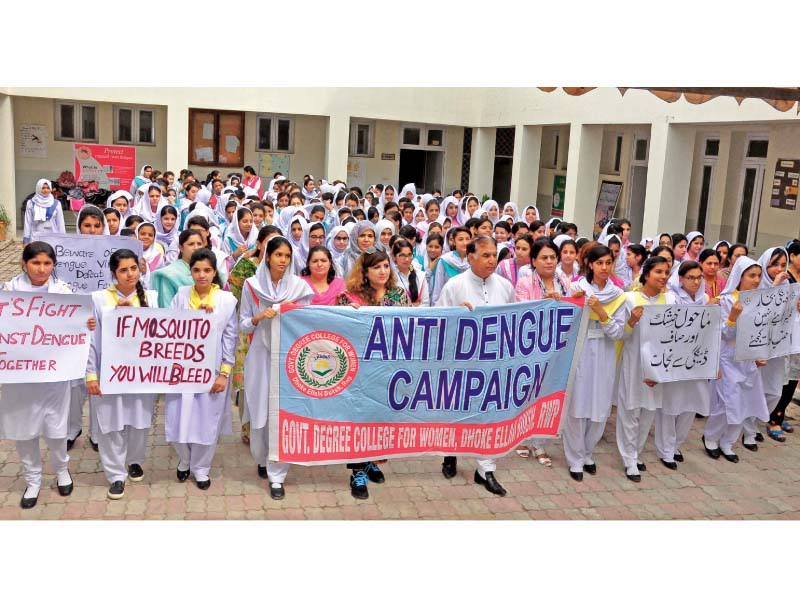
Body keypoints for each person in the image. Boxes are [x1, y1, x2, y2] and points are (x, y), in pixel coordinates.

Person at [0, 242, 95, 508]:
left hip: (54, 376)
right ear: (23, 263)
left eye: (47, 263)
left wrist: (86, 322)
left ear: (54, 265)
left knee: (56, 427)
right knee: (24, 430)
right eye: (35, 263)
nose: (41, 269)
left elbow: (81, 325)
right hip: (19, 378)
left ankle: (62, 469)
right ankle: (33, 480)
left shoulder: (64, 292)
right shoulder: (8, 292)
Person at [436, 236, 513, 496]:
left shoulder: (505, 286)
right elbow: (438, 320)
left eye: (495, 255)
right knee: (455, 411)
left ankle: (485, 470)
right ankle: (450, 454)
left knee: (490, 414)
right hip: (460, 363)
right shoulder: (454, 285)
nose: (492, 260)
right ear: (471, 257)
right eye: (486, 255)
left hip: (493, 364)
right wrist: (456, 314)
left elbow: (515, 320)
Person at [239, 237, 314, 500]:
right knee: (261, 408)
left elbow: (309, 321)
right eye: (278, 255)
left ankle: (277, 474)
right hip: (260, 355)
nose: (283, 260)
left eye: (287, 255)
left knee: (281, 412)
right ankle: (262, 458)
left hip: (288, 357)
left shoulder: (299, 288)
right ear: (267, 256)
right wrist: (260, 316)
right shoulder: (252, 286)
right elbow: (244, 324)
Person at [336, 248, 410, 499]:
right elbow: (338, 330)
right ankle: (357, 470)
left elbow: (414, 324)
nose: (382, 271)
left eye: (386, 266)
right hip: (359, 372)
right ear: (365, 272)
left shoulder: (399, 295)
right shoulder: (349, 298)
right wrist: (350, 316)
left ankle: (371, 461)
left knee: (381, 418)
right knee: (359, 419)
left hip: (389, 371)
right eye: (376, 267)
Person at [86, 249, 159, 499]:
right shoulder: (99, 299)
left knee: (139, 420)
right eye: (123, 270)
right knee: (110, 423)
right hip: (110, 373)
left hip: (142, 373)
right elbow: (91, 341)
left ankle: (135, 460)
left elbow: (161, 333)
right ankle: (116, 474)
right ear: (113, 273)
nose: (130, 274)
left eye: (134, 268)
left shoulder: (150, 297)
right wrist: (91, 375)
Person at [166, 249, 238, 489]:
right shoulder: (181, 295)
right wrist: (193, 317)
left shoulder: (226, 301)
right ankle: (185, 460)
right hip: (182, 370)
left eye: (207, 270)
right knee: (179, 417)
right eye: (196, 270)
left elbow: (230, 338)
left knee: (207, 421)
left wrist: (224, 373)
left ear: (214, 272)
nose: (201, 275)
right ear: (190, 271)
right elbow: (169, 328)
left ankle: (201, 468)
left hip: (212, 371)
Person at [563, 244, 627, 481]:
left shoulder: (619, 296)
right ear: (590, 264)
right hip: (580, 352)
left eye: (608, 263)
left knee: (599, 408)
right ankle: (575, 458)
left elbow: (618, 332)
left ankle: (588, 452)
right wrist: (573, 303)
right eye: (599, 263)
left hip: (605, 353)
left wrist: (601, 312)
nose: (604, 267)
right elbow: (565, 324)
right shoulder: (576, 288)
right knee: (578, 406)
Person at [703, 257, 770, 463]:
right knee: (726, 402)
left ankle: (728, 442)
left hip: (747, 358)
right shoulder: (726, 301)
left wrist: (760, 353)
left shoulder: (758, 301)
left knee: (744, 401)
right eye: (751, 276)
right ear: (740, 277)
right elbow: (722, 334)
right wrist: (732, 317)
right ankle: (711, 438)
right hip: (727, 356)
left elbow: (760, 330)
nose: (756, 280)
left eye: (759, 275)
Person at [616, 256, 676, 482]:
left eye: (666, 272)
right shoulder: (630, 299)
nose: (663, 276)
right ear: (646, 273)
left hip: (659, 365)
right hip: (634, 363)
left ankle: (636, 452)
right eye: (658, 271)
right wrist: (631, 321)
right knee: (630, 410)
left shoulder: (671, 299)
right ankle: (629, 458)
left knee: (649, 410)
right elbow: (621, 334)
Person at [514, 237, 571, 465]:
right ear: (533, 261)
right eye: (544, 258)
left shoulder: (565, 282)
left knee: (549, 396)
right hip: (532, 349)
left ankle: (540, 444)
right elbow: (521, 312)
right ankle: (523, 438)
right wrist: (544, 303)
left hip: (558, 349)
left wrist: (565, 300)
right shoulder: (525, 283)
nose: (549, 262)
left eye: (552, 257)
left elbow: (574, 308)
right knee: (529, 394)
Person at [655, 261, 714, 470]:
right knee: (670, 406)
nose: (695, 282)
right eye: (691, 278)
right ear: (680, 279)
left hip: (697, 360)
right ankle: (665, 449)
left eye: (699, 278)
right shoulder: (671, 298)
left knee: (690, 404)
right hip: (674, 359)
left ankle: (676, 445)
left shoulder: (706, 299)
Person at [228, 226, 280, 444]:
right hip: (247, 329)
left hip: (275, 333)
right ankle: (248, 427)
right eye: (268, 242)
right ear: (259, 245)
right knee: (247, 381)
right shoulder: (246, 267)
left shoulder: (284, 273)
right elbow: (232, 294)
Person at [745, 247, 792, 447]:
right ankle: (747, 430)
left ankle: (755, 424)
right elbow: (760, 312)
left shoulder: (787, 284)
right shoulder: (755, 284)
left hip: (778, 345)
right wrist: (774, 286)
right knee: (753, 388)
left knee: (774, 391)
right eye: (774, 265)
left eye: (783, 265)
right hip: (758, 346)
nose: (778, 269)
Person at [150, 230, 205, 308]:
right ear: (181, 248)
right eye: (191, 244)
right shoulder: (169, 275)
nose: (196, 248)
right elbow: (167, 308)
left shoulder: (208, 272)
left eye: (199, 244)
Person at [431, 226, 472, 305]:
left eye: (467, 239)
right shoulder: (444, 260)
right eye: (460, 239)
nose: (465, 243)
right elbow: (437, 289)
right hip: (449, 305)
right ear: (453, 241)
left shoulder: (475, 260)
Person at [23, 179, 66, 243]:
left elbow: (60, 223)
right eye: (43, 188)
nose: (46, 190)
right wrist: (26, 240)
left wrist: (63, 239)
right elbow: (28, 222)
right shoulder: (31, 203)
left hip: (52, 237)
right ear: (38, 188)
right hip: (35, 237)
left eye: (48, 188)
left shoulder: (56, 203)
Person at [391, 239, 430, 307]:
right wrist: (411, 306)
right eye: (402, 255)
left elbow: (425, 303)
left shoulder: (420, 275)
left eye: (409, 255)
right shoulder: (390, 276)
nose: (407, 259)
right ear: (394, 257)